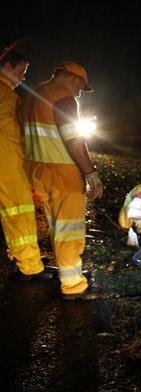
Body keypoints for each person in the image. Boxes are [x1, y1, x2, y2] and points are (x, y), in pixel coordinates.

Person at [22, 61, 104, 300]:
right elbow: (73, 140)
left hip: (39, 172)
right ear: (73, 79)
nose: (79, 93)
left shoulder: (33, 94)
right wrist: (90, 172)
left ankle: (68, 273)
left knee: (56, 227)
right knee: (70, 230)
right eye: (81, 87)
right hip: (64, 175)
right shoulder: (64, 97)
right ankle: (73, 285)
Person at [0, 47, 52, 280]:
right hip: (7, 164)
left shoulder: (7, 94)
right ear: (8, 67)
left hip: (8, 161)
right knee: (19, 212)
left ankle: (20, 258)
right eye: (21, 72)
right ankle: (30, 268)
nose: (23, 78)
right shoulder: (6, 95)